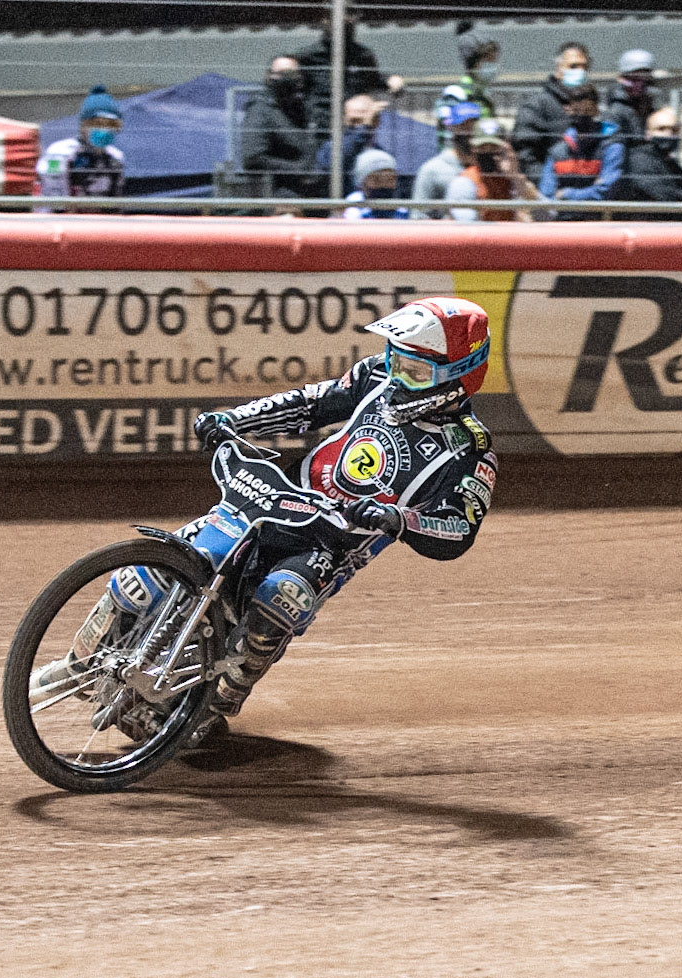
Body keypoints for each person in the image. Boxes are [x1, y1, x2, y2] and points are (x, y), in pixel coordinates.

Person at [180, 299, 499, 724]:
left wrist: (401, 520)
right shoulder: (375, 376)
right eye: (397, 360)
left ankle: (221, 697)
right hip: (274, 499)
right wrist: (235, 419)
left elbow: (458, 527)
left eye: (416, 372)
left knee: (282, 596)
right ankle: (77, 660)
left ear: (460, 377)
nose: (399, 377)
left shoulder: (470, 449)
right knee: (171, 559)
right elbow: (311, 403)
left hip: (330, 545)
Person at [294, 11, 402, 133]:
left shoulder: (362, 55)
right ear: (325, 20)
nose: (345, 20)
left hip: (354, 124)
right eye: (338, 16)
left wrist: (390, 80)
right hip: (322, 126)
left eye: (349, 15)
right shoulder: (308, 56)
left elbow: (373, 79)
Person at [538, 85, 625, 218]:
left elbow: (605, 192)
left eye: (588, 110)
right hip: (561, 226)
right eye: (577, 110)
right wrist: (590, 190)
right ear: (568, 110)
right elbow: (547, 196)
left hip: (600, 226)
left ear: (596, 110)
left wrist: (566, 194)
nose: (582, 116)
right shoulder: (558, 151)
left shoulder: (612, 146)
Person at [241, 55, 320, 198]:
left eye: (292, 74)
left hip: (310, 192)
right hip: (278, 196)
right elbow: (253, 158)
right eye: (282, 73)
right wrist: (297, 169)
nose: (287, 79)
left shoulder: (304, 109)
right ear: (269, 76)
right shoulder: (261, 109)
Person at [512, 41, 591, 178]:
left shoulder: (588, 107)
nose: (580, 71)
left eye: (584, 67)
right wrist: (548, 186)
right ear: (559, 68)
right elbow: (525, 156)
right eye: (573, 66)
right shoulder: (536, 105)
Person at [39, 85, 126, 201]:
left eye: (112, 124)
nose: (105, 129)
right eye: (98, 123)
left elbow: (115, 203)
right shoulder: (60, 154)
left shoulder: (116, 158)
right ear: (83, 125)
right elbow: (54, 201)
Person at [610, 107, 682, 219]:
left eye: (674, 130)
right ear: (648, 134)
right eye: (661, 129)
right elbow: (662, 195)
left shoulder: (671, 165)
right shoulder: (638, 159)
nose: (668, 134)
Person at [446, 128, 543, 222]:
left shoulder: (511, 180)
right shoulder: (465, 181)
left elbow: (546, 215)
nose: (488, 152)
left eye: (494, 147)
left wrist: (515, 177)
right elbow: (467, 226)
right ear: (473, 149)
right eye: (482, 147)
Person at [411, 102, 481, 218]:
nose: (470, 131)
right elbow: (419, 216)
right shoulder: (432, 170)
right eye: (463, 125)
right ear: (451, 127)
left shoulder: (490, 167)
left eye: (474, 125)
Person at [437, 21, 499, 140]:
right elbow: (448, 134)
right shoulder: (457, 94)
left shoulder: (484, 93)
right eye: (489, 61)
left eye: (494, 61)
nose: (493, 66)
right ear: (474, 64)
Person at [605, 49, 660, 143]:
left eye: (644, 78)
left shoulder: (650, 106)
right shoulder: (615, 112)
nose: (639, 84)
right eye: (633, 79)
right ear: (621, 79)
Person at [339, 149, 409, 219]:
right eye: (377, 180)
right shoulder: (353, 207)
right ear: (362, 183)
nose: (384, 185)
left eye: (390, 180)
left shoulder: (402, 210)